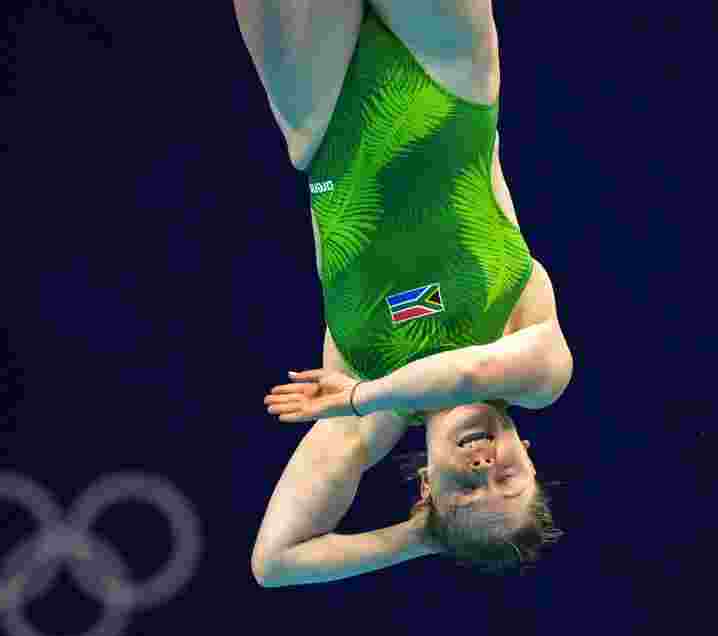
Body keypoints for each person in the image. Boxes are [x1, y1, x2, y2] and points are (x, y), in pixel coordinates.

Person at [234, 1, 573, 585]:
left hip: (321, 112)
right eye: (507, 479)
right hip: (450, 72)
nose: (485, 466)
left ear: (427, 489)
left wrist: (423, 536)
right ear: (530, 458)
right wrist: (364, 396)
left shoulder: (365, 424)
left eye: (467, 489)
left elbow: (275, 563)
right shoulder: (539, 374)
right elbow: (463, 375)